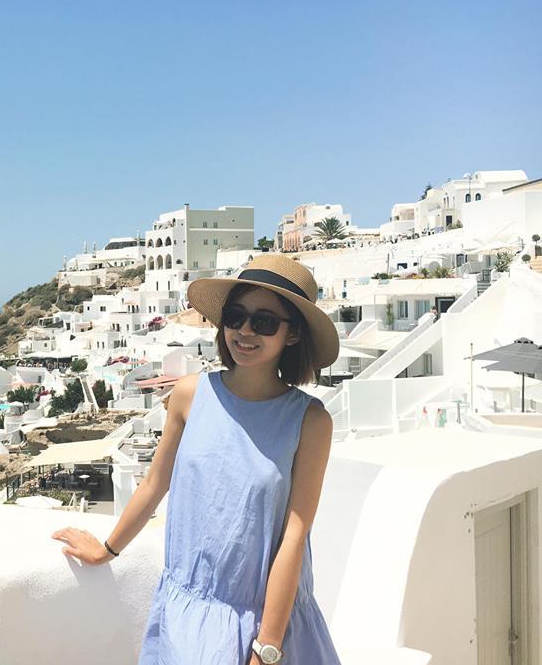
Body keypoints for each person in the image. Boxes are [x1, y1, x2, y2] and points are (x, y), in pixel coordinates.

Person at [50, 254, 342, 664]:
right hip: (188, 616)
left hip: (267, 626)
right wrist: (107, 550)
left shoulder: (309, 421)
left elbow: (294, 536)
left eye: (264, 322)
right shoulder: (190, 395)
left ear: (292, 334)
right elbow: (155, 483)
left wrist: (267, 648)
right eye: (236, 316)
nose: (244, 331)